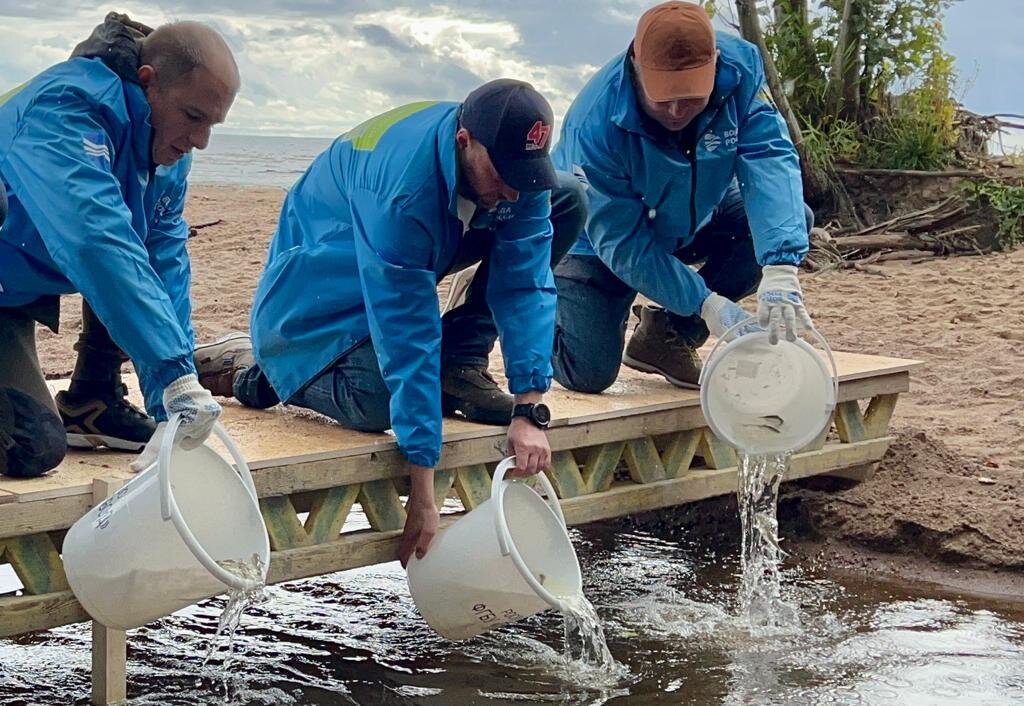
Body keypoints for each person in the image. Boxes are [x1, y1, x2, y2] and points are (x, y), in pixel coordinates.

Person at [210, 80, 586, 566]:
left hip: (413, 247)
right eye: (505, 175)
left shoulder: (514, 169)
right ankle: (260, 370)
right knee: (378, 404)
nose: (515, 188)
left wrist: (529, 410)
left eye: (525, 173)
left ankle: (459, 360)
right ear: (464, 141)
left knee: (568, 198)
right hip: (321, 277)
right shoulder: (403, 195)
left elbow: (526, 282)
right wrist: (423, 495)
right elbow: (408, 335)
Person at [0, 14, 241, 477]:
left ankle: (93, 399)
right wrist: (173, 377)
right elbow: (95, 241)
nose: (201, 141)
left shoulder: (167, 150)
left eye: (212, 124)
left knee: (138, 260)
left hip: (15, 287)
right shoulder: (65, 108)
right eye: (193, 117)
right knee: (32, 447)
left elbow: (164, 265)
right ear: (148, 83)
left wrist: (176, 391)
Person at [550, 1, 815, 394]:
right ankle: (517, 302)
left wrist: (780, 265)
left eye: (690, 97)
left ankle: (666, 336)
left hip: (690, 217)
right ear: (637, 67)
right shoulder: (595, 123)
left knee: (783, 224)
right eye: (663, 96)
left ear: (716, 66)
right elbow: (622, 244)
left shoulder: (740, 73)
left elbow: (769, 156)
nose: (676, 111)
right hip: (597, 240)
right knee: (588, 373)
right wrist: (707, 303)